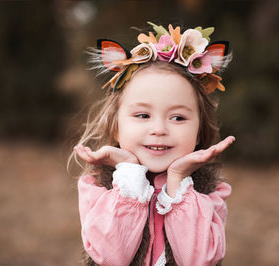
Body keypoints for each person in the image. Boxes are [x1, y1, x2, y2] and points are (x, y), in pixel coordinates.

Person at [70, 22, 234, 266]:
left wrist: (178, 181)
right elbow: (111, 258)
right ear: (116, 126)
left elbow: (199, 261)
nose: (159, 130)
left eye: (178, 118)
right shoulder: (97, 188)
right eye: (143, 116)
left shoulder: (210, 192)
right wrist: (129, 173)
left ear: (200, 130)